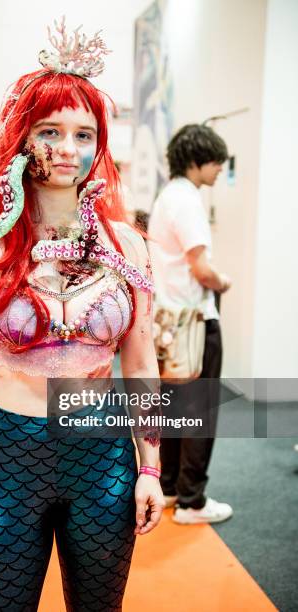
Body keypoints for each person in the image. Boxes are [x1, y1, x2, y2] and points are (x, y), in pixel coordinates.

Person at [0, 19, 164, 612]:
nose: (69, 150)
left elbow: (140, 361)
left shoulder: (127, 245)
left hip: (104, 451)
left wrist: (151, 466)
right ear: (21, 140)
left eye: (84, 134)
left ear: (100, 145)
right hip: (9, 450)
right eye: (50, 131)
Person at [148, 124, 232, 524]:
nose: (219, 169)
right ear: (197, 160)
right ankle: (192, 501)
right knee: (200, 409)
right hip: (194, 324)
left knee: (174, 408)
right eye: (216, 161)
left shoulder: (167, 197)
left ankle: (169, 486)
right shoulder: (188, 200)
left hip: (167, 323)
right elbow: (201, 268)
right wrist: (224, 282)